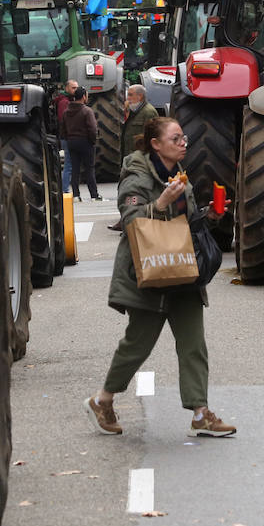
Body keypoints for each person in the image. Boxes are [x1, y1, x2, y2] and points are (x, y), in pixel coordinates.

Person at [85, 116, 236, 438]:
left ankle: (200, 414)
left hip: (182, 273)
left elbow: (184, 227)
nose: (184, 143)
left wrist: (209, 217)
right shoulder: (136, 177)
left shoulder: (179, 176)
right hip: (149, 275)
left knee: (194, 346)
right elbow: (131, 222)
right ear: (155, 144)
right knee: (136, 347)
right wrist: (161, 203)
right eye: (176, 139)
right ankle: (103, 399)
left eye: (184, 138)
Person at [109, 85, 158, 231]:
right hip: (129, 157)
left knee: (134, 191)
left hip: (141, 159)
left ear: (140, 96)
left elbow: (152, 136)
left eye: (130, 95)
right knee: (124, 189)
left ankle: (130, 221)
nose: (128, 99)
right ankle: (124, 219)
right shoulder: (134, 111)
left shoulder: (148, 112)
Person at [62, 86, 101, 201]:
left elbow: (63, 129)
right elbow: (92, 129)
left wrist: (68, 138)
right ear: (84, 97)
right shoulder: (87, 111)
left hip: (71, 142)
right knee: (89, 168)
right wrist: (93, 141)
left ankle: (76, 195)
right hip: (85, 142)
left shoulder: (66, 112)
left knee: (75, 169)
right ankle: (94, 195)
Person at [55, 79, 79, 191]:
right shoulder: (64, 102)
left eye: (76, 88)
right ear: (66, 88)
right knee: (69, 165)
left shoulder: (68, 100)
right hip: (68, 137)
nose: (76, 90)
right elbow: (63, 119)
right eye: (73, 88)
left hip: (68, 137)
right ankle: (65, 189)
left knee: (70, 164)